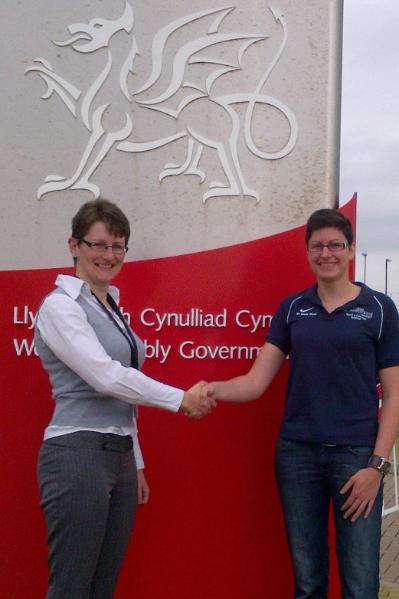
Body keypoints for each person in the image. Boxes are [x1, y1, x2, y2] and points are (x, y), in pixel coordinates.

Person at [202, 209, 399, 598]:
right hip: (298, 458)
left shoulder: (379, 309)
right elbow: (256, 381)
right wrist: (211, 389)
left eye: (335, 245)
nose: (327, 253)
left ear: (351, 250)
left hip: (356, 458)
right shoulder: (292, 309)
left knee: (360, 584)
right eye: (318, 246)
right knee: (308, 583)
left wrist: (377, 467)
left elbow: (393, 396)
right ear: (308, 251)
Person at [35, 198, 214, 599]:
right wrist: (181, 398)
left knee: (102, 586)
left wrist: (134, 462)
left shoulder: (112, 307)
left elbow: (123, 396)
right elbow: (106, 377)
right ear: (74, 246)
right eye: (98, 244)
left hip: (116, 455)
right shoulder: (60, 307)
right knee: (71, 586)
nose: (108, 255)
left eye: (117, 246)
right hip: (76, 453)